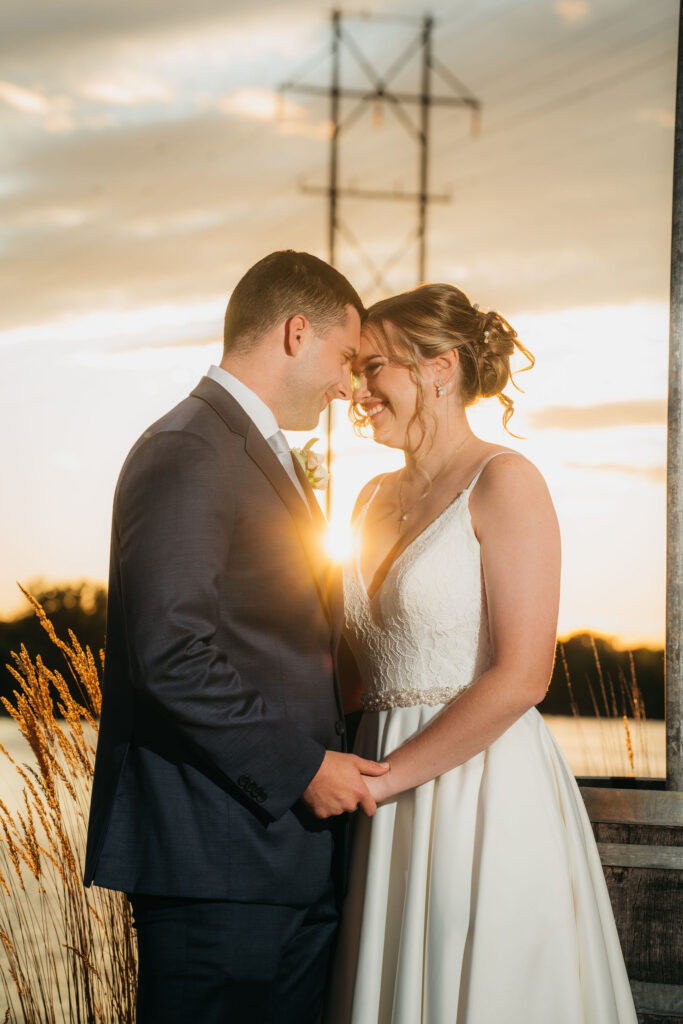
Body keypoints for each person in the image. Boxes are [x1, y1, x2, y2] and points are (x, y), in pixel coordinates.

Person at [83, 250, 391, 1024]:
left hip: (286, 860)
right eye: (344, 357)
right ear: (296, 332)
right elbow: (170, 653)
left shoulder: (251, 452)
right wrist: (303, 768)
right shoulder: (189, 447)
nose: (347, 386)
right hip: (214, 862)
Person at [326, 283, 637, 1023]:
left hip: (480, 790)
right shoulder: (367, 497)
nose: (357, 391)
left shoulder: (504, 481)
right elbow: (350, 670)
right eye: (356, 371)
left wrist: (384, 781)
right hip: (373, 790)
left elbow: (524, 676)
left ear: (440, 368)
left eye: (374, 368)